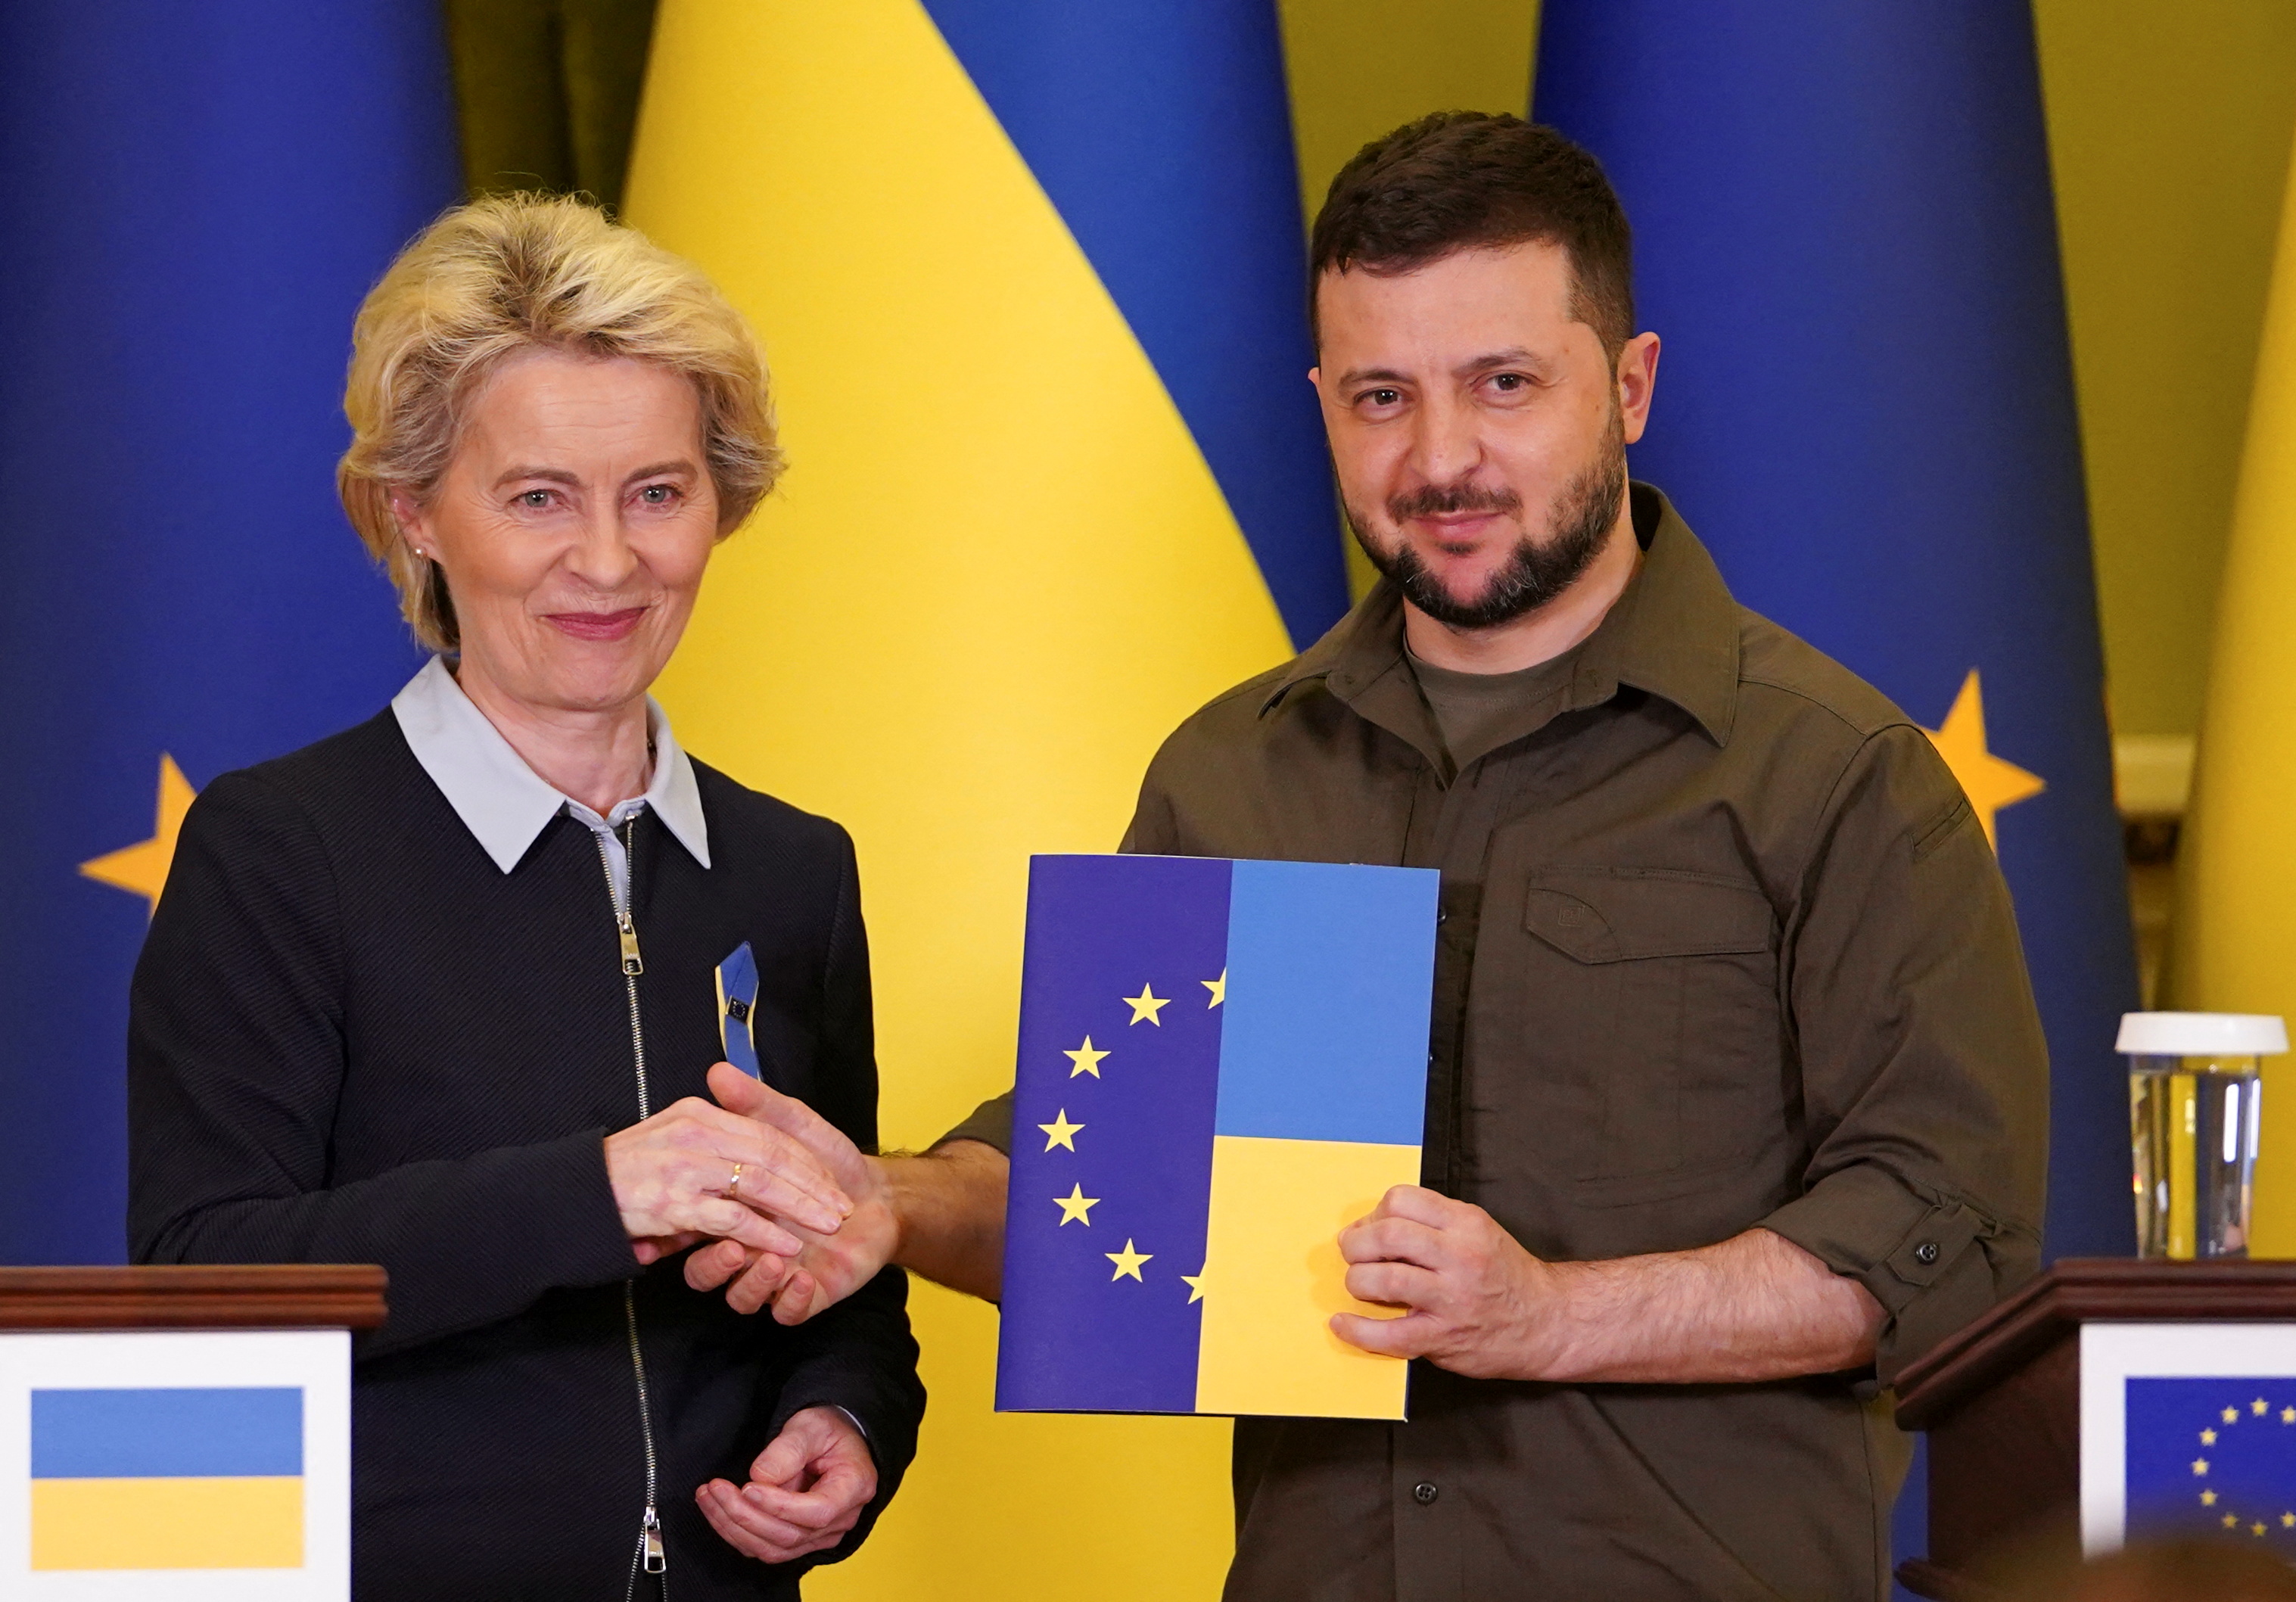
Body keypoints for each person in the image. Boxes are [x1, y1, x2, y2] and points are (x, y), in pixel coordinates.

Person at [692, 112, 2049, 1599]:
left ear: (1633, 386)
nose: (1441, 457)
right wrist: (891, 1207)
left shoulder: (1834, 777)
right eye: (1382, 397)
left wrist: (1545, 1316)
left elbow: (1937, 1236)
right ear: (1322, 402)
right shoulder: (1233, 774)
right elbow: (1114, 1193)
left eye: (1504, 386)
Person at [126, 194, 923, 1599]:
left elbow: (846, 1260)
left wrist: (845, 1419)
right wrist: (591, 1193)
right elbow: (210, 1283)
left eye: (658, 492)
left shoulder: (795, 867)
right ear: (414, 512)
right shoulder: (277, 850)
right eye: (539, 495)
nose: (610, 562)